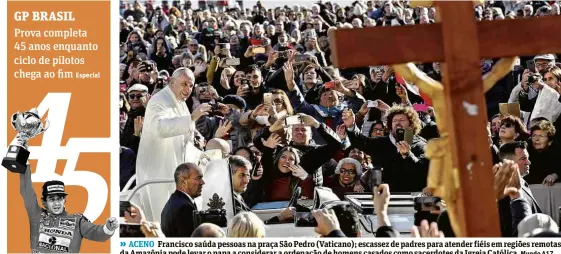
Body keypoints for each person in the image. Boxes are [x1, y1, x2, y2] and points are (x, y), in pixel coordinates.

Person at [136, 67, 211, 222]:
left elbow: (184, 128)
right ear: (171, 82)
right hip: (159, 171)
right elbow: (160, 128)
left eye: (191, 86)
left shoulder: (180, 101)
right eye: (184, 84)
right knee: (162, 219)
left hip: (176, 168)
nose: (188, 89)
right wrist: (192, 118)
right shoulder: (159, 100)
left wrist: (196, 137)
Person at [19, 169, 117, 253]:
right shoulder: (37, 216)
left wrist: (109, 227)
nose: (56, 203)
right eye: (52, 199)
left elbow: (97, 234)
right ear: (44, 202)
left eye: (59, 199)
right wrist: (24, 161)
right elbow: (27, 192)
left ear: (64, 200)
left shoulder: (77, 221)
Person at [337, 105, 429, 192]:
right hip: (386, 197)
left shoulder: (421, 145)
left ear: (411, 125)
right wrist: (351, 126)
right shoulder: (381, 142)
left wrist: (407, 155)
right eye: (394, 121)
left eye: (402, 120)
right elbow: (361, 142)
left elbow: (422, 170)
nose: (398, 123)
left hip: (413, 197)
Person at [161, 163, 205, 237]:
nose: (203, 182)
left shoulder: (174, 202)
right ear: (183, 181)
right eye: (198, 178)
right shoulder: (184, 208)